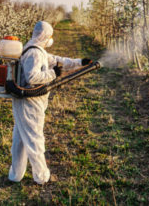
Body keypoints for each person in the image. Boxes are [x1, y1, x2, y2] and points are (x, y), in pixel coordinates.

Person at [8, 21, 91, 184]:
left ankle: (15, 175)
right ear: (44, 36)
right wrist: (53, 74)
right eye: (50, 36)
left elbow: (58, 60)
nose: (51, 39)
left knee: (20, 139)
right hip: (30, 103)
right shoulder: (35, 54)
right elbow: (32, 78)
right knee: (34, 139)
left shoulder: (33, 49)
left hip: (24, 102)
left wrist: (80, 62)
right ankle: (41, 176)